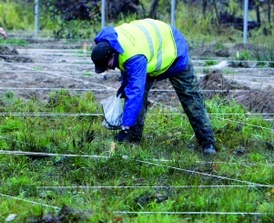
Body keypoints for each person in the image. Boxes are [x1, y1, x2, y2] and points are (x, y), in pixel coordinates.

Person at [90, 18, 217, 154]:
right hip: (148, 53)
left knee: (191, 99)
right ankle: (131, 139)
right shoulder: (112, 42)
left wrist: (124, 126)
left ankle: (207, 143)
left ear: (113, 53)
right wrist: (124, 84)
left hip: (173, 51)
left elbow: (135, 91)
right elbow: (126, 67)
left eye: (106, 65)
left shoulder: (134, 57)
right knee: (131, 93)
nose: (108, 69)